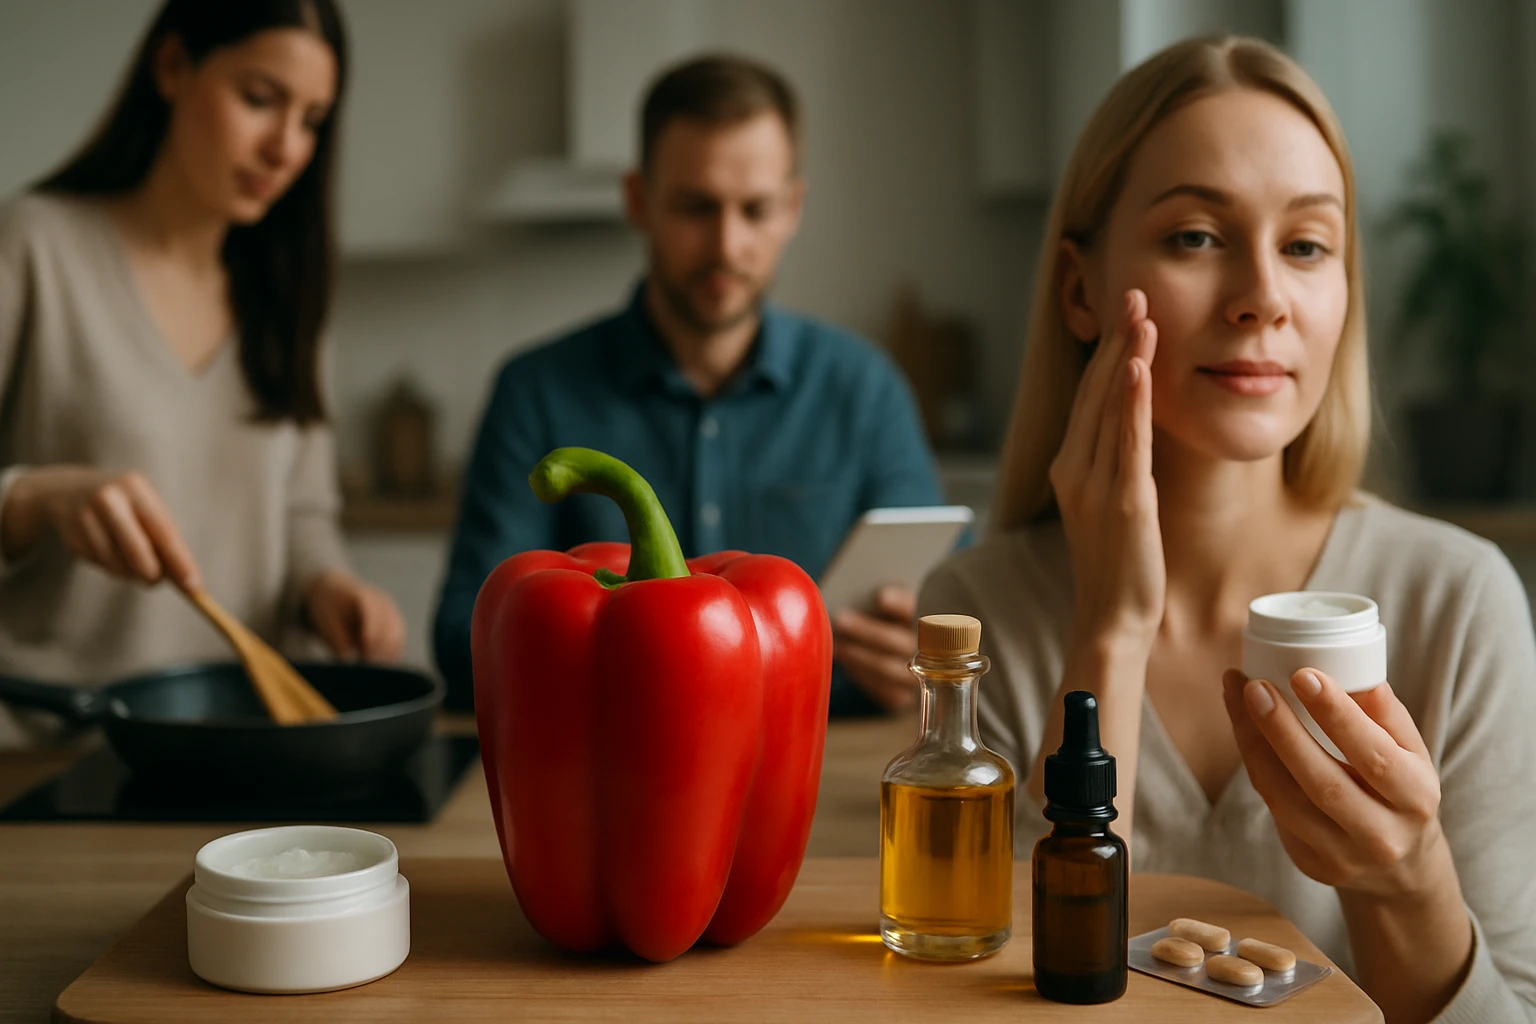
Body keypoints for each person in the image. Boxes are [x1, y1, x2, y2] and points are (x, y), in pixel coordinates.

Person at [920, 35, 1536, 1024]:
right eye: (1196, 237)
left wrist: (1407, 874)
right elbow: (996, 999)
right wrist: (1110, 628)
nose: (1263, 299)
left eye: (1306, 246)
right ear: (1080, 290)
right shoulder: (974, 613)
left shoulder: (1457, 603)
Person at [433, 54, 943, 715]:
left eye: (756, 209)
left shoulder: (866, 390)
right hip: (612, 756)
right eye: (696, 208)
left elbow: (947, 616)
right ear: (638, 201)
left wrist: (918, 657)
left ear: (793, 207)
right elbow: (464, 639)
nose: (727, 245)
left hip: (817, 755)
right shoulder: (534, 392)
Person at [0, 0, 406, 748]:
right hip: (52, 749)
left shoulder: (287, 296)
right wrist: (34, 498)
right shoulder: (33, 247)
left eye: (313, 120)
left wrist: (327, 587)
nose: (285, 148)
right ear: (172, 66)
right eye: (260, 99)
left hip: (243, 747)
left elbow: (303, 516)